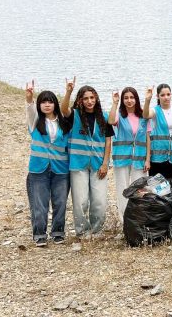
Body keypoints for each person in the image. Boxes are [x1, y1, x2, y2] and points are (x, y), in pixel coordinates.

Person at [61, 77, 113, 238]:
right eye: (85, 98)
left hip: (98, 165)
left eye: (92, 98)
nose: (89, 101)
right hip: (78, 164)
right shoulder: (74, 115)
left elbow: (108, 141)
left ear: (96, 98)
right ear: (80, 101)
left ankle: (96, 230)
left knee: (99, 201)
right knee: (81, 200)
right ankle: (82, 231)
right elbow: (63, 109)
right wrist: (69, 91)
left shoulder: (104, 117)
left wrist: (105, 164)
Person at [25, 81, 72, 247]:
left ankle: (58, 232)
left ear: (55, 104)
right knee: (39, 204)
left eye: (50, 101)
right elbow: (30, 108)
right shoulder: (35, 121)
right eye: (43, 102)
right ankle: (39, 234)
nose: (46, 104)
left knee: (60, 203)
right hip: (39, 169)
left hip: (61, 169)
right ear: (39, 105)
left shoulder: (64, 123)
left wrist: (68, 92)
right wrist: (30, 96)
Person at [108, 87, 149, 223]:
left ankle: (138, 219)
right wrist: (114, 102)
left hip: (140, 159)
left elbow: (148, 138)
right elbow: (110, 121)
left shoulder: (143, 115)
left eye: (132, 97)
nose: (129, 100)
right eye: (126, 98)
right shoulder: (119, 114)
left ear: (136, 99)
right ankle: (124, 221)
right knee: (123, 189)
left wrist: (148, 159)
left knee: (139, 189)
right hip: (122, 158)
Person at [143, 84, 172, 187]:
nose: (166, 97)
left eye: (168, 94)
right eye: (162, 95)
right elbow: (145, 115)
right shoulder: (155, 111)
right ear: (158, 96)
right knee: (157, 190)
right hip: (158, 159)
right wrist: (147, 100)